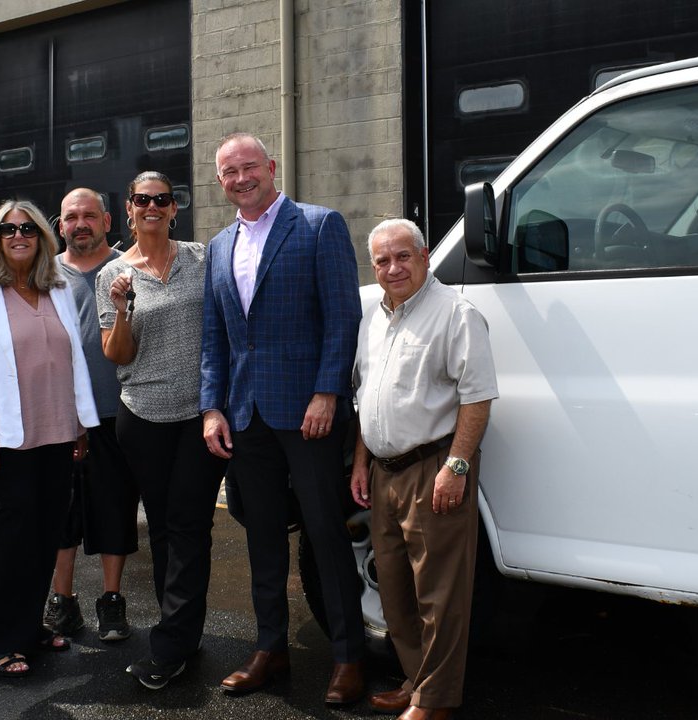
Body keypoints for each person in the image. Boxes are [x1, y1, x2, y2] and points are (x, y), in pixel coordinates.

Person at [200, 132, 366, 705]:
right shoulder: (219, 247)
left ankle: (349, 657)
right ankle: (269, 649)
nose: (241, 178)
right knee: (262, 538)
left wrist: (327, 394)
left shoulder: (320, 226)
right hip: (245, 416)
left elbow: (343, 318)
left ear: (271, 167)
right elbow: (214, 338)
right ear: (219, 181)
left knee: (324, 531)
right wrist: (212, 407)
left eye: (250, 167)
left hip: (308, 412)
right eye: (229, 172)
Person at [349, 219, 497, 720]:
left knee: (439, 593)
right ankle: (416, 681)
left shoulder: (456, 314)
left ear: (425, 255)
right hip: (384, 472)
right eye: (383, 261)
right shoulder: (375, 318)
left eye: (402, 256)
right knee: (394, 590)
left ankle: (436, 701)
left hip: (433, 468)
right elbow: (364, 394)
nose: (393, 268)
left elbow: (477, 399)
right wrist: (362, 460)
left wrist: (456, 467)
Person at [0, 200, 99, 678]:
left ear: (41, 238)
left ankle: (29, 627)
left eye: (27, 229)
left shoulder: (56, 287)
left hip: (57, 432)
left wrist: (79, 423)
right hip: (8, 436)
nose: (18, 236)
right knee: (8, 542)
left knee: (44, 536)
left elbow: (72, 359)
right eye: (8, 229)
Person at [96, 171, 227, 690]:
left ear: (175, 208)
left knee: (190, 525)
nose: (152, 206)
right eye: (142, 199)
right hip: (143, 416)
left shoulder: (201, 258)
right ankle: (182, 631)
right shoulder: (113, 274)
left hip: (201, 416)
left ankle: (169, 645)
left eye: (162, 199)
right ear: (128, 209)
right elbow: (117, 355)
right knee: (166, 530)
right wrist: (124, 307)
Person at [45, 188, 139, 643]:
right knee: (62, 514)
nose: (79, 224)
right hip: (57, 416)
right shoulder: (43, 275)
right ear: (60, 225)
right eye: (70, 217)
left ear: (106, 221)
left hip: (114, 412)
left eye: (88, 216)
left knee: (114, 509)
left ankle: (111, 601)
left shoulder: (128, 269)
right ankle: (61, 602)